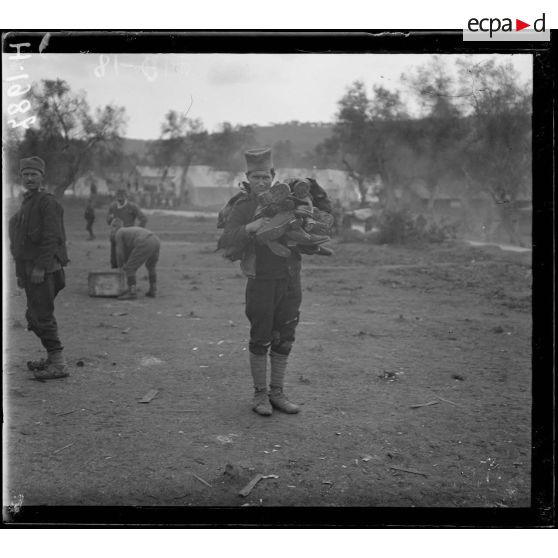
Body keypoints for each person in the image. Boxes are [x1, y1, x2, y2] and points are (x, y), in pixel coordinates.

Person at [218, 147, 332, 417]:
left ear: (273, 176)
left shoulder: (291, 200)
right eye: (256, 177)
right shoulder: (243, 206)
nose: (262, 182)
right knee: (261, 335)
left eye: (266, 177)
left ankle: (277, 392)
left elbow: (317, 215)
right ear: (248, 177)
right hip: (260, 280)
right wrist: (250, 228)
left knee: (286, 334)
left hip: (290, 277)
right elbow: (225, 239)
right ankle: (260, 395)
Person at [8, 156, 70, 380]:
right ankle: (52, 358)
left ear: (42, 177)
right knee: (33, 316)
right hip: (29, 269)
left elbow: (51, 237)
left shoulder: (47, 202)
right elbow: (20, 243)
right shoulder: (27, 202)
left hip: (44, 269)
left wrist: (40, 268)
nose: (29, 178)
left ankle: (59, 364)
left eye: (34, 174)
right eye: (25, 174)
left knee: (41, 315)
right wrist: (20, 274)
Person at [110, 218, 160, 300]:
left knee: (129, 268)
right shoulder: (128, 231)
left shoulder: (119, 233)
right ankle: (153, 289)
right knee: (150, 266)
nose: (111, 231)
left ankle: (132, 292)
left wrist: (120, 267)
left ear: (115, 227)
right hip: (156, 239)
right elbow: (129, 253)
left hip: (145, 241)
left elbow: (119, 253)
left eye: (112, 228)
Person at [106, 188, 147, 269]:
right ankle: (116, 278)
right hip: (115, 237)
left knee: (126, 261)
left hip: (127, 238)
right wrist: (110, 219)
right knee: (114, 262)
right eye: (118, 196)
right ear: (116, 196)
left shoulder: (132, 207)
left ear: (126, 196)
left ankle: (127, 278)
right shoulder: (113, 206)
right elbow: (108, 221)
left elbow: (144, 219)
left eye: (122, 196)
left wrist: (136, 232)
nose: (120, 198)